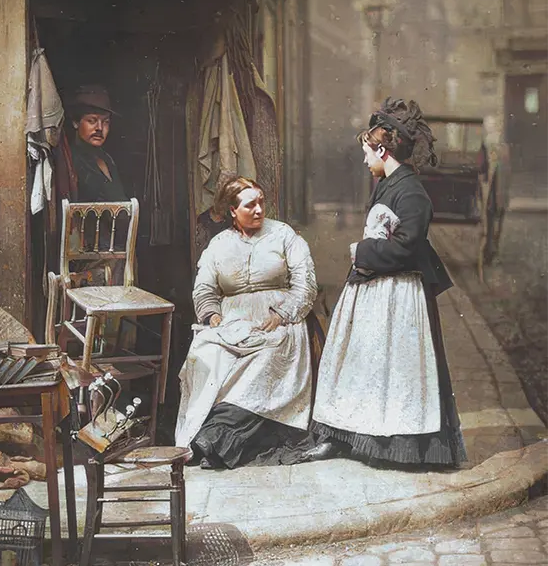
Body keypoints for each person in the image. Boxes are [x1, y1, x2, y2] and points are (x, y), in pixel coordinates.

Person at [302, 98, 466, 468]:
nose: (364, 161)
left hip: (399, 294)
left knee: (396, 369)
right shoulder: (389, 183)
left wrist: (362, 252)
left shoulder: (412, 193)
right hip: (374, 291)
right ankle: (346, 436)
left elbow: (407, 248)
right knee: (361, 361)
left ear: (382, 149)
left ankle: (400, 448)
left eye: (367, 153)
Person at [175, 175, 318, 469]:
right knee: (204, 355)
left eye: (261, 203)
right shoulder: (218, 244)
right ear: (231, 210)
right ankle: (201, 436)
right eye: (250, 205)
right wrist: (212, 315)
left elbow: (305, 284)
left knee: (265, 358)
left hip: (278, 320)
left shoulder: (284, 235)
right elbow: (204, 288)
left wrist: (282, 314)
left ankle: (213, 439)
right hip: (231, 322)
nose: (258, 210)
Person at [69, 85, 127, 202]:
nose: (99, 128)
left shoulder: (107, 159)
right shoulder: (70, 160)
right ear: (76, 122)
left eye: (105, 122)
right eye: (92, 121)